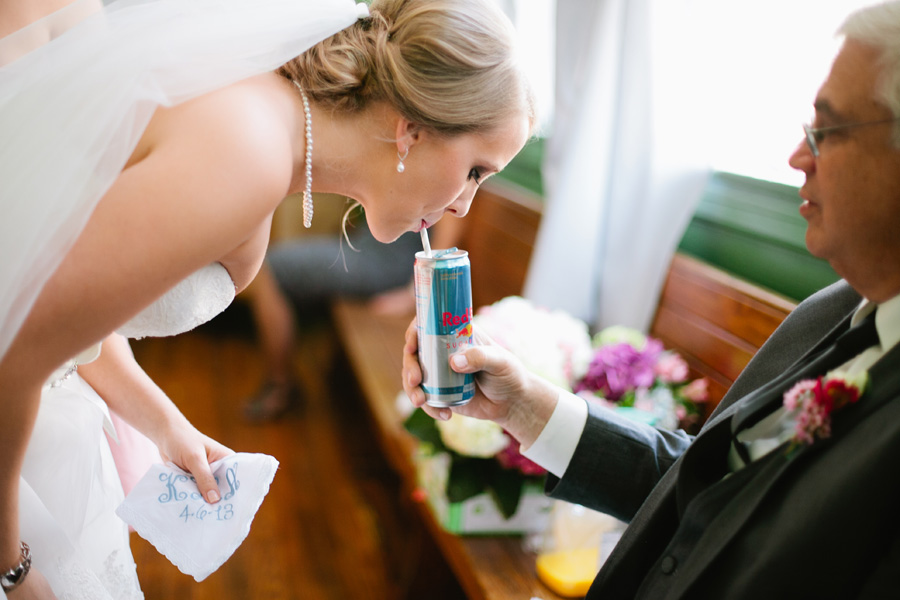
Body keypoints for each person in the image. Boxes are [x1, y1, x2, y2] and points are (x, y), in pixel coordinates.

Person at [0, 0, 534, 596]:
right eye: (476, 171)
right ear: (415, 128)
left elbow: (71, 316)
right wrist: (9, 567)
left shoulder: (264, 130)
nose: (464, 204)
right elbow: (16, 348)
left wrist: (163, 423)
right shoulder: (248, 153)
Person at [403, 1, 900, 597]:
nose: (799, 158)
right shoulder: (828, 313)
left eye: (827, 130)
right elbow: (704, 484)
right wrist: (524, 406)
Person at [241, 214, 462, 421]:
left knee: (271, 267)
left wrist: (412, 293)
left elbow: (453, 220)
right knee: (273, 262)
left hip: (385, 263)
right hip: (366, 248)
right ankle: (282, 382)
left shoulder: (452, 180)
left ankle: (281, 385)